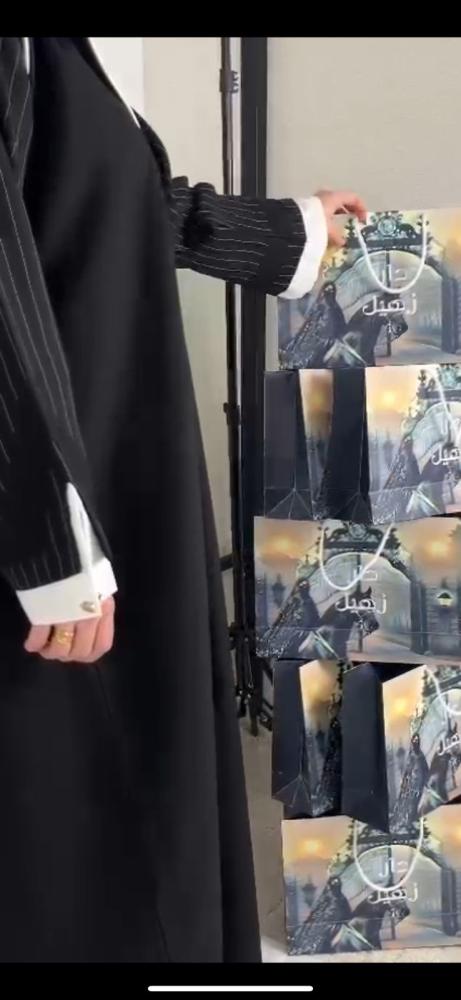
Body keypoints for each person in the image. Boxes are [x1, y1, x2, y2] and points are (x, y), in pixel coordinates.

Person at [0, 37, 366, 963]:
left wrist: (287, 230)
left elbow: (100, 205)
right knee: (77, 812)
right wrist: (48, 540)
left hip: (108, 457)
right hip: (51, 487)